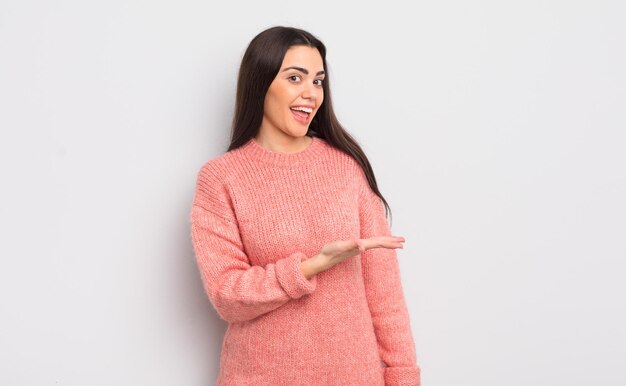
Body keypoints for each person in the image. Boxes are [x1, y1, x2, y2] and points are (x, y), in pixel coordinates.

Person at [189, 26, 421, 385]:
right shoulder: (221, 178)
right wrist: (313, 266)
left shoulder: (346, 168)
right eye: (295, 78)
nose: (311, 94)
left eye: (317, 81)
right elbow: (227, 295)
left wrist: (403, 377)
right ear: (261, 83)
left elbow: (385, 296)